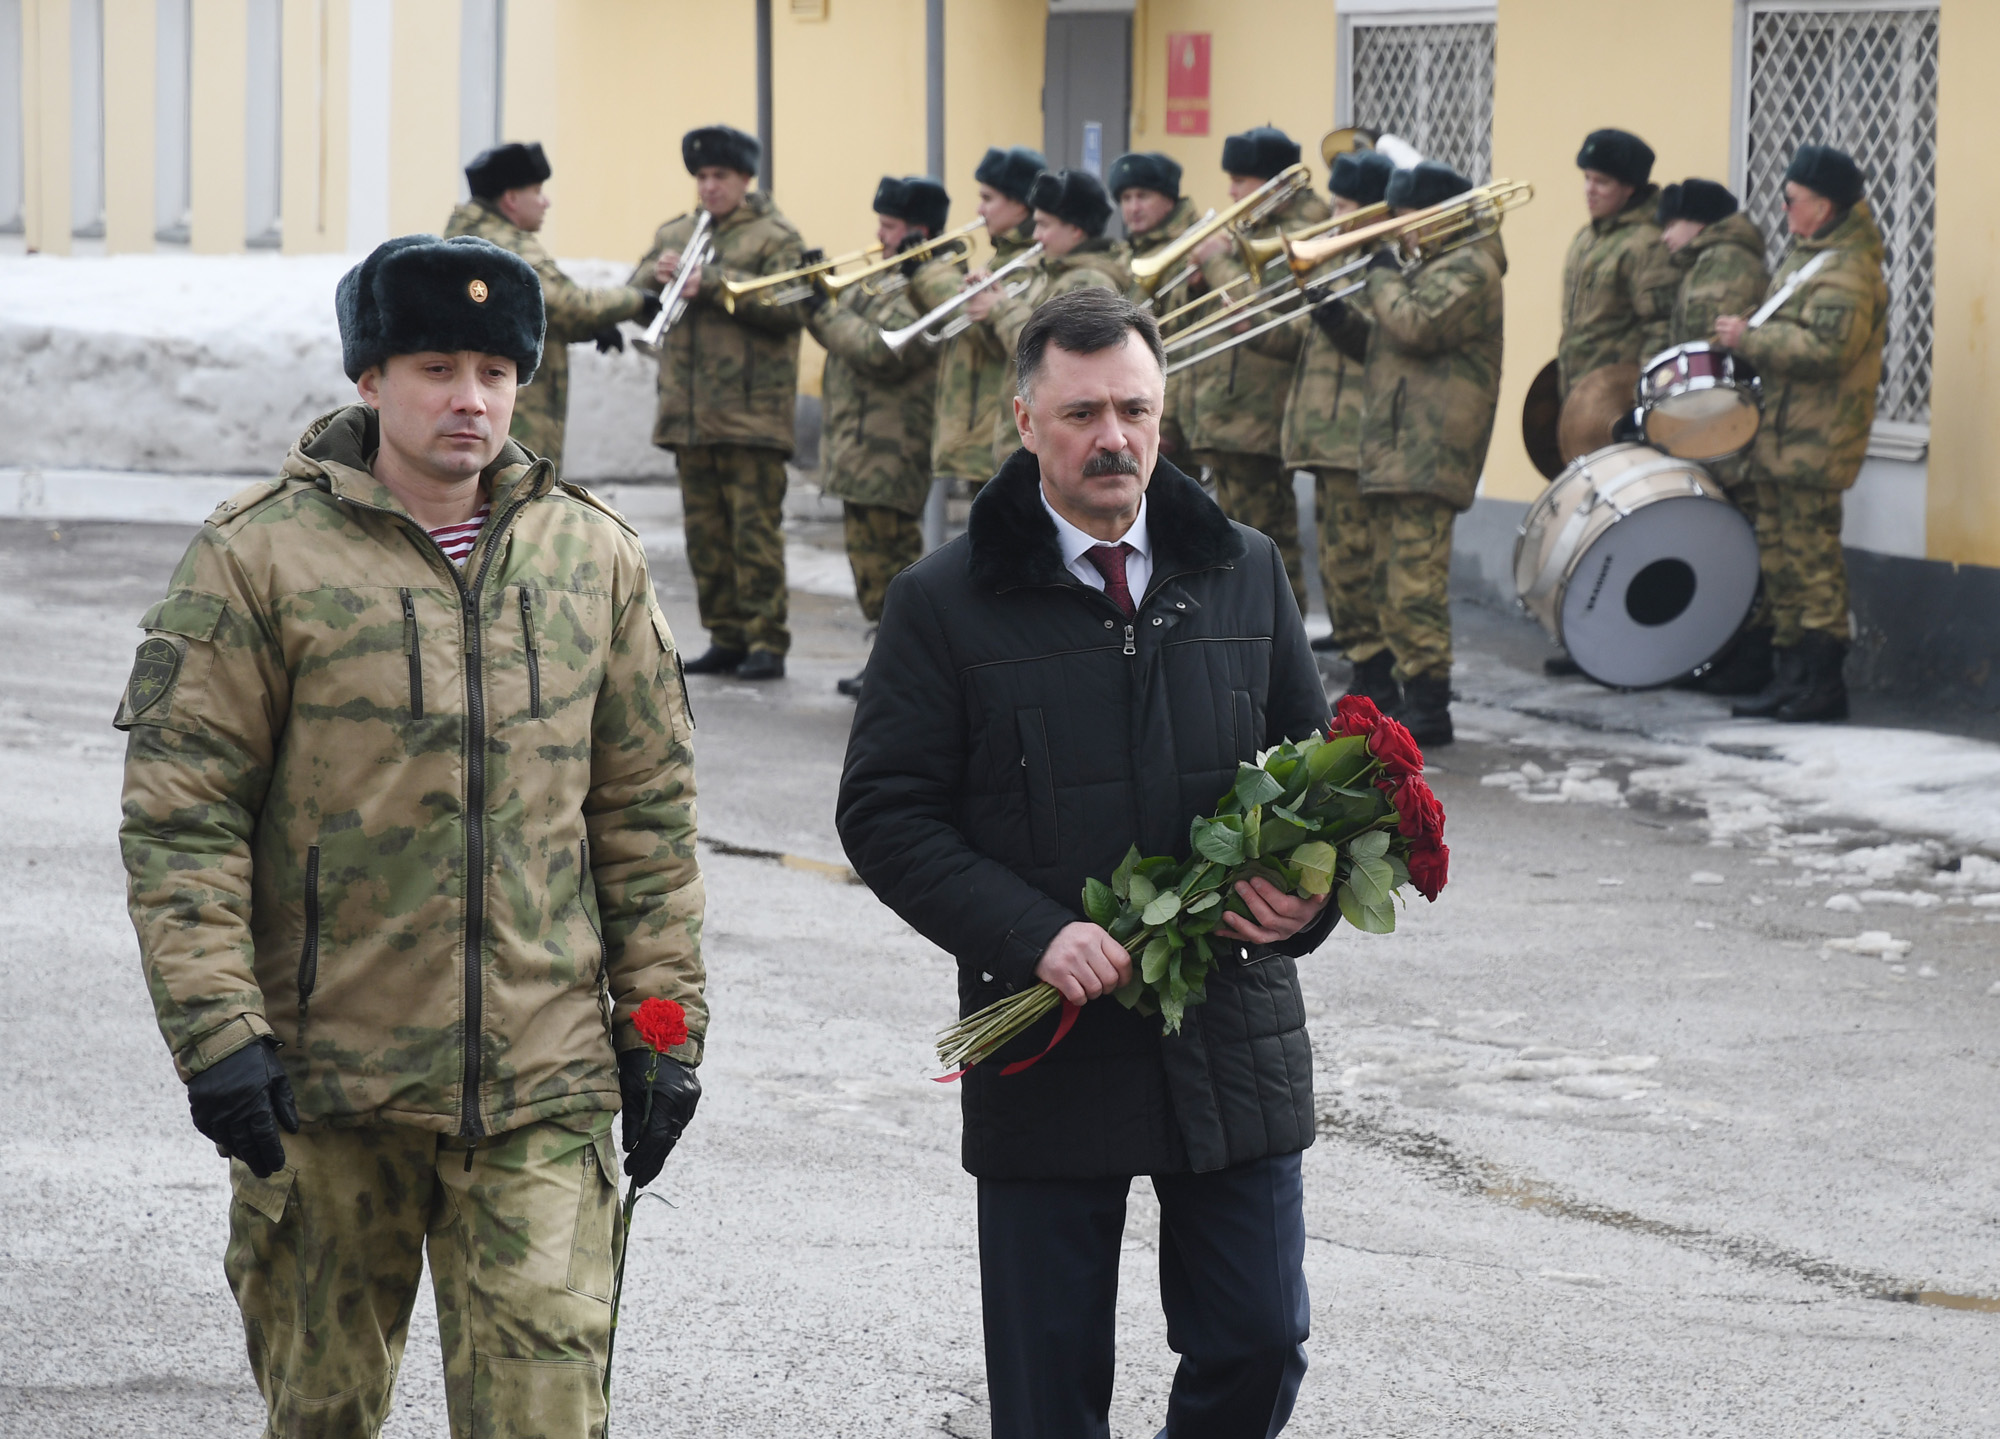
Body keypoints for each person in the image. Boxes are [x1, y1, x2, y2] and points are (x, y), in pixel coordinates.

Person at [116, 233, 706, 1438]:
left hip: (542, 1082)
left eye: (494, 370)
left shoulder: (593, 557)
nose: (469, 398)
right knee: (321, 1409)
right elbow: (184, 819)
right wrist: (218, 1034)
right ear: (371, 378)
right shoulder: (257, 555)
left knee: (542, 1414)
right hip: (327, 1089)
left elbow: (643, 821)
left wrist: (661, 1031)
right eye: (436, 366)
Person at [837, 288, 1334, 1439]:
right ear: (1023, 420)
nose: (1112, 437)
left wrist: (1301, 900)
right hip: (1044, 1029)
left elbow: (1312, 779)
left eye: (1133, 409)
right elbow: (886, 811)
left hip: (1230, 1026)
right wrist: (1030, 933)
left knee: (1258, 1339)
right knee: (1048, 1390)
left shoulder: (1243, 569)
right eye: (1080, 413)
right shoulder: (942, 601)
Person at [1319, 161, 1506, 747]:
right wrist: (1332, 315)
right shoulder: (1426, 268)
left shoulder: (1472, 268)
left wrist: (1378, 275)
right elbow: (1385, 347)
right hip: (1398, 446)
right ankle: (1398, 693)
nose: (1398, 232)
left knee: (1413, 585)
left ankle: (1430, 709)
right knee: (1386, 582)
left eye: (1404, 220)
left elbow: (1418, 326)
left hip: (1431, 451)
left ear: (1435, 217)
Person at [1714, 144, 1886, 724]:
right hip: (1783, 436)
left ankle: (1821, 686)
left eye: (1791, 200)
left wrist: (1751, 340)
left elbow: (1830, 350)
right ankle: (1789, 678)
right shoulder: (1812, 257)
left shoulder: (1849, 269)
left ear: (1825, 203)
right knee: (1783, 562)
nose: (1783, 210)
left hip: (1816, 442)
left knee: (1812, 566)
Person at [632, 124, 809, 681]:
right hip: (689, 414)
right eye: (702, 177)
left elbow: (790, 305)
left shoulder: (775, 236)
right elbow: (636, 294)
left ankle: (766, 640)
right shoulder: (677, 231)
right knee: (704, 534)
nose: (708, 187)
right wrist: (654, 278)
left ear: (744, 178)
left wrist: (710, 283)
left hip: (751, 412)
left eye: (720, 177)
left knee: (753, 531)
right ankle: (726, 635)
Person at [804, 175, 948, 697]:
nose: (879, 237)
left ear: (917, 231)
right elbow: (847, 335)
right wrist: (820, 297)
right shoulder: (885, 279)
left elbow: (877, 351)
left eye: (888, 227)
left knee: (892, 564)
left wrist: (822, 311)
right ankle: (886, 657)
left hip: (892, 447)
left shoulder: (927, 284)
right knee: (868, 564)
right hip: (857, 445)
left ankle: (905, 666)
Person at [1180, 125, 1331, 613]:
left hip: (1260, 415)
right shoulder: (1249, 230)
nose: (1230, 192)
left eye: (1240, 180)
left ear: (1274, 185)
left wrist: (1221, 267)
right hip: (1228, 413)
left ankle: (1283, 638)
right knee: (1236, 546)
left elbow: (1270, 316)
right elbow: (1214, 318)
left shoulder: (1304, 235)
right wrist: (1197, 282)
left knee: (1269, 542)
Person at [444, 141, 657, 472]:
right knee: (517, 503)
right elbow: (563, 302)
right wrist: (637, 299)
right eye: (537, 191)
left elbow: (525, 311)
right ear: (511, 198)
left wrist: (587, 328)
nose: (546, 202)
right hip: (515, 414)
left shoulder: (478, 235)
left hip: (499, 405)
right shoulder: (504, 244)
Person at [1280, 148, 1395, 697]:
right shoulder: (1337, 261)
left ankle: (1376, 665)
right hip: (1325, 436)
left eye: (1346, 205)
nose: (1334, 215)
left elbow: (1377, 343)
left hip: (1356, 435)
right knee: (1334, 555)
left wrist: (1331, 308)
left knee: (1355, 557)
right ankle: (1358, 650)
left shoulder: (1387, 266)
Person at [1654, 178, 1774, 695]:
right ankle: (1727, 656)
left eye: (1671, 224)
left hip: (1723, 429)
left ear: (1699, 222)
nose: (1663, 237)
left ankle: (1746, 660)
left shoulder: (1724, 266)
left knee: (1737, 538)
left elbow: (1709, 353)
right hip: (1711, 426)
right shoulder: (1706, 262)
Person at [961, 167, 1131, 466]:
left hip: (1054, 449)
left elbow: (1054, 355)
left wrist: (1001, 309)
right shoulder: (1047, 275)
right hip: (1028, 442)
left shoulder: (1088, 281)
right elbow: (1010, 355)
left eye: (1044, 224)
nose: (1036, 235)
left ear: (1075, 228)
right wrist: (986, 309)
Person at [915, 145, 1046, 499]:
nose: (979, 209)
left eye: (988, 198)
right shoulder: (1003, 260)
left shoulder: (1033, 266)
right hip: (983, 440)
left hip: (1002, 439)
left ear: (1020, 204)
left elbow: (1020, 346)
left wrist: (929, 275)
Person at [1559, 128, 1678, 393]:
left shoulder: (1647, 245)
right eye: (1587, 179)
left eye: (1601, 182)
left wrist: (1647, 397)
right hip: (1580, 399)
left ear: (1629, 188)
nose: (1589, 190)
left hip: (1617, 398)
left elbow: (1661, 328)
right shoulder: (1586, 238)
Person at [1111, 150, 1200, 460]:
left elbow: (1179, 347)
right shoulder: (1135, 252)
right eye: (1126, 198)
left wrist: (1165, 421)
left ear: (1168, 198)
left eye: (1143, 196)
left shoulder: (1187, 252)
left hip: (1165, 414)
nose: (1133, 208)